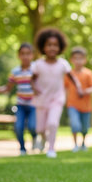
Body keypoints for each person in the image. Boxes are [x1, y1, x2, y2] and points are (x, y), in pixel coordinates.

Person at [31, 28, 77, 158]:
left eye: (55, 45)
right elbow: (32, 80)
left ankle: (51, 148)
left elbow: (72, 77)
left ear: (60, 47)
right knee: (40, 129)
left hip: (57, 98)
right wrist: (35, 89)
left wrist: (78, 87)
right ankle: (44, 139)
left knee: (52, 123)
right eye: (49, 45)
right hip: (41, 99)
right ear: (43, 47)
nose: (52, 48)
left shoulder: (63, 64)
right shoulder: (38, 64)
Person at [0, 43, 38, 156]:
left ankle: (35, 137)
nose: (25, 56)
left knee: (32, 126)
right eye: (23, 54)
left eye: (28, 54)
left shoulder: (36, 70)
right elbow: (8, 88)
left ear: (32, 55)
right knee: (18, 127)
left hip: (34, 104)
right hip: (21, 104)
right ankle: (22, 148)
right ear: (19, 55)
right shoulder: (15, 71)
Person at [65, 46, 92, 152]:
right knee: (75, 124)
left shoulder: (88, 73)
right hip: (72, 104)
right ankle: (75, 145)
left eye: (81, 58)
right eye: (76, 58)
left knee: (84, 128)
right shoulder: (69, 74)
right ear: (72, 60)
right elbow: (65, 88)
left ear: (85, 60)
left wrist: (85, 91)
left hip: (86, 106)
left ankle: (83, 143)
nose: (78, 61)